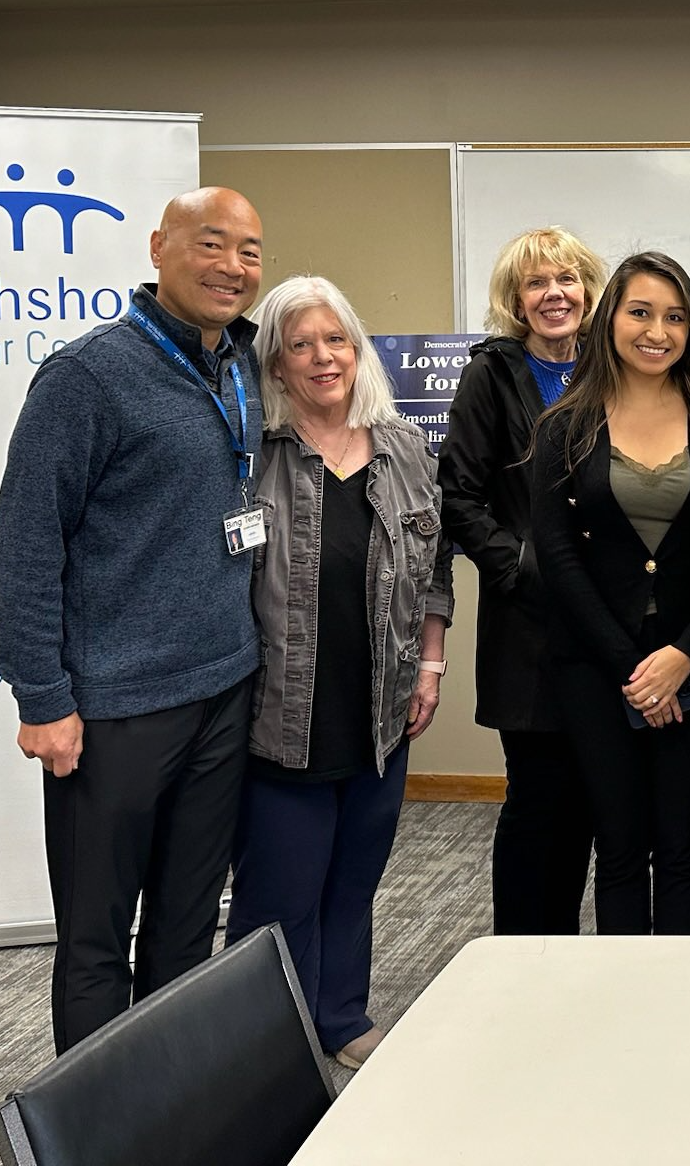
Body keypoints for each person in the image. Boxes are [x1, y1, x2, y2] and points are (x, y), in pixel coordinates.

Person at [0, 186, 266, 1052]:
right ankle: (99, 1130)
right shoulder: (86, 377)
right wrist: (42, 696)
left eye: (251, 251)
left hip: (224, 687)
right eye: (212, 244)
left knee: (187, 932)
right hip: (112, 706)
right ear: (159, 248)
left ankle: (169, 1110)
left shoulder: (241, 367)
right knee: (95, 942)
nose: (233, 266)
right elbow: (28, 543)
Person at [224, 275, 453, 1069]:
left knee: (353, 882)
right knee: (279, 898)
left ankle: (341, 1019)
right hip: (281, 710)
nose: (324, 358)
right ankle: (268, 1047)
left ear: (357, 350)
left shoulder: (404, 449)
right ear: (276, 366)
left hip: (381, 709)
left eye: (336, 340)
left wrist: (430, 662)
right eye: (301, 345)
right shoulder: (251, 455)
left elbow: (433, 569)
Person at [528, 251, 690, 934]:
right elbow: (558, 558)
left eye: (675, 317)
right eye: (641, 312)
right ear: (610, 321)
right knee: (620, 848)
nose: (657, 331)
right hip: (597, 668)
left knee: (684, 850)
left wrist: (682, 656)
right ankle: (623, 1006)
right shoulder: (564, 426)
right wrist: (633, 670)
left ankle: (682, 1011)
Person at [439, 226, 605, 935]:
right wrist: (521, 568)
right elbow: (458, 494)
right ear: (515, 300)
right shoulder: (491, 375)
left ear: (589, 292)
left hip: (607, 629)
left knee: (595, 802)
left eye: (566, 279)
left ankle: (566, 955)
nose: (554, 295)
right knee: (538, 801)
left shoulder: (615, 370)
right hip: (530, 629)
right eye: (535, 284)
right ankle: (521, 955)